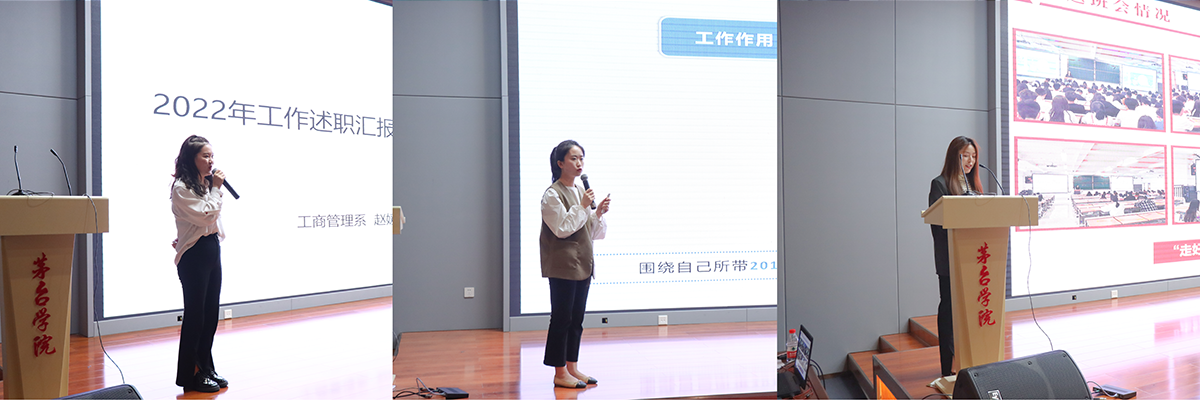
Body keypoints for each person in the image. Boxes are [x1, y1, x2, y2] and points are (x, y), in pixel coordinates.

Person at [540, 140, 611, 389]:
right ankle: (559, 373)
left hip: (583, 264)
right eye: (574, 158)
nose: (579, 163)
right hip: (563, 266)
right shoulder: (552, 194)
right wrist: (582, 206)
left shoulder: (579, 190)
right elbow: (562, 229)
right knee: (561, 318)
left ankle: (572, 367)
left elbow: (589, 232)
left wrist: (597, 214)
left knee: (576, 319)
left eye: (581, 158)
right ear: (560, 163)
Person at [171, 135, 229, 393]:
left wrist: (212, 188)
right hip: (194, 256)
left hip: (210, 249)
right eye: (205, 156)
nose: (210, 161)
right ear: (190, 158)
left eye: (212, 156)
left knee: (210, 313)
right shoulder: (181, 187)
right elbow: (206, 215)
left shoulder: (203, 184)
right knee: (195, 315)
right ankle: (191, 375)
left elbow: (209, 221)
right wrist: (216, 189)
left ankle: (205, 367)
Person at [928, 136, 983, 378]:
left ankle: (972, 363)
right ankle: (948, 368)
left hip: (974, 262)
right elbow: (939, 226)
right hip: (951, 262)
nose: (970, 161)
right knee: (950, 313)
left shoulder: (974, 187)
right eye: (965, 156)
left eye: (973, 156)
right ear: (954, 157)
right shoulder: (939, 184)